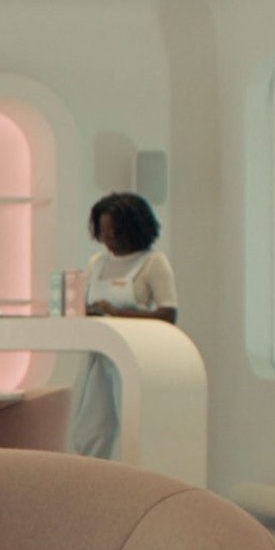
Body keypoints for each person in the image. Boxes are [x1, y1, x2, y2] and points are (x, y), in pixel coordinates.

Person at [70, 191, 178, 458]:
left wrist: (119, 313)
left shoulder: (153, 263)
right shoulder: (97, 263)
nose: (107, 239)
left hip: (135, 357)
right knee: (90, 432)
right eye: (102, 231)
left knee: (134, 429)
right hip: (100, 358)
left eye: (114, 232)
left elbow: (168, 314)